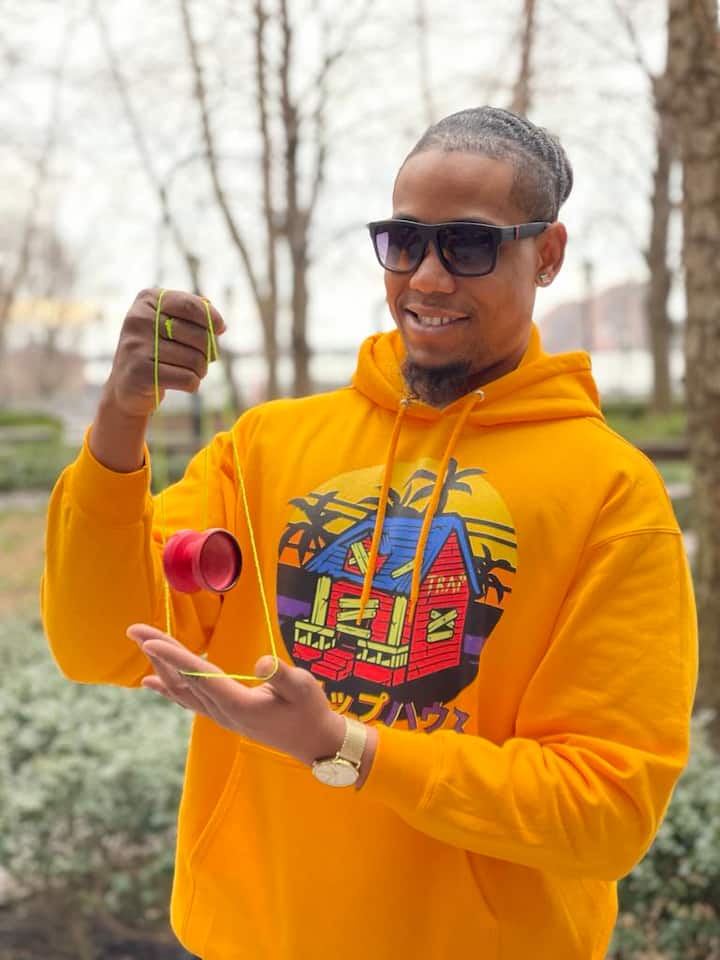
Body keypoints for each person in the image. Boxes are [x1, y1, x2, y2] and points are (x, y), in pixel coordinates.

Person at [42, 106, 697, 960]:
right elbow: (99, 645)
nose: (427, 278)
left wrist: (345, 748)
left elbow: (605, 813)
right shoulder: (266, 447)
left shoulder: (612, 494)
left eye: (468, 245)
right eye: (404, 241)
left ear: (547, 254)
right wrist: (120, 422)